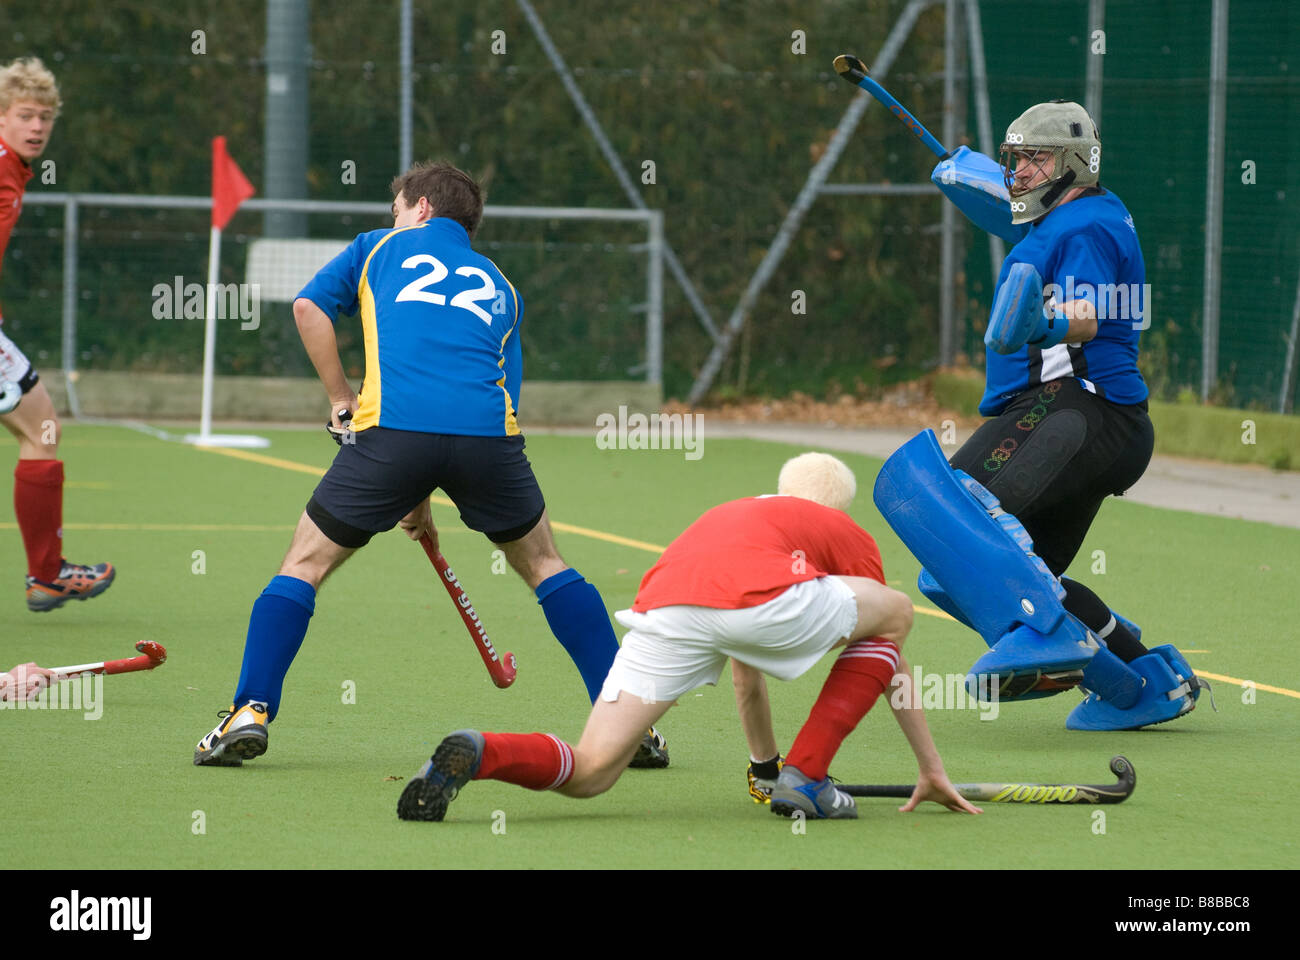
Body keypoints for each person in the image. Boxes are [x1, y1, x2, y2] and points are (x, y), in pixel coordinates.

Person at [193, 161, 666, 767]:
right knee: (548, 564)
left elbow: (308, 310)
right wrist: (420, 495)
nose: (393, 218)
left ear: (419, 208)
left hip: (391, 433)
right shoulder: (502, 283)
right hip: (488, 441)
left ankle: (250, 710)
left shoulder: (378, 248)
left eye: (397, 207)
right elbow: (500, 402)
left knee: (304, 564)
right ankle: (630, 727)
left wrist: (342, 401)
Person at [397, 453, 981, 822]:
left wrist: (763, 769)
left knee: (595, 770)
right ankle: (812, 775)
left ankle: (483, 750)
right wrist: (931, 768)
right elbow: (888, 657)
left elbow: (747, 672)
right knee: (897, 610)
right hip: (757, 603)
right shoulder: (840, 528)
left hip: (665, 609)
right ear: (838, 506)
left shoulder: (735, 515)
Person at [935, 100, 1205, 729]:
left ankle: (1060, 651)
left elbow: (1086, 312)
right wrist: (965, 169)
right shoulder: (1062, 220)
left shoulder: (1084, 224)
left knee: (956, 523)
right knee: (1028, 583)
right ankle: (1145, 681)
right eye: (1014, 159)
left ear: (1076, 164)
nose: (1020, 172)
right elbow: (1008, 212)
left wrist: (1042, 320)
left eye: (1036, 158)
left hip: (1076, 413)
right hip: (1084, 423)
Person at [0, 57, 115, 612]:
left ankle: (48, 574)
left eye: (45, 116)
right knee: (42, 428)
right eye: (25, 114)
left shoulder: (14, 169)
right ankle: (46, 574)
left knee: (42, 427)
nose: (38, 126)